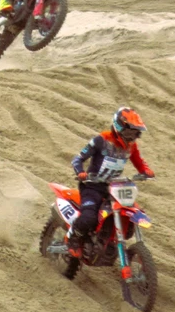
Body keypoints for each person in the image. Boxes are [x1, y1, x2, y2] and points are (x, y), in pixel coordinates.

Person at [66, 107, 155, 258]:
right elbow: (78, 159)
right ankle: (73, 238)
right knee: (89, 218)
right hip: (92, 186)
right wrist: (81, 172)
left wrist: (146, 171)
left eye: (135, 133)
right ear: (119, 127)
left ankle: (108, 241)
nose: (132, 136)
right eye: (129, 132)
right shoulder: (101, 140)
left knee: (131, 214)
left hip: (113, 188)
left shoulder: (131, 146)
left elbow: (139, 162)